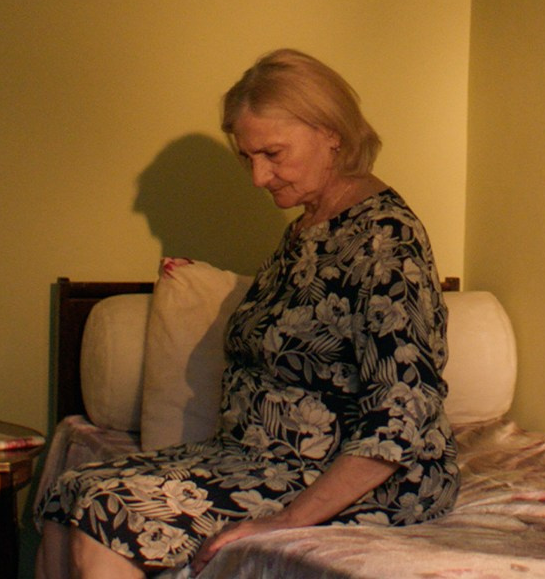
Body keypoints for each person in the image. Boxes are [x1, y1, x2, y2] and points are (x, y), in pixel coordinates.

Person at [37, 49, 457, 577]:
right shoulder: (307, 227)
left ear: (332, 134)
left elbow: (403, 415)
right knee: (69, 492)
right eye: (247, 157)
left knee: (110, 514)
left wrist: (286, 520)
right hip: (259, 458)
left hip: (352, 475)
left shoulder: (385, 239)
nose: (258, 177)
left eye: (273, 154)